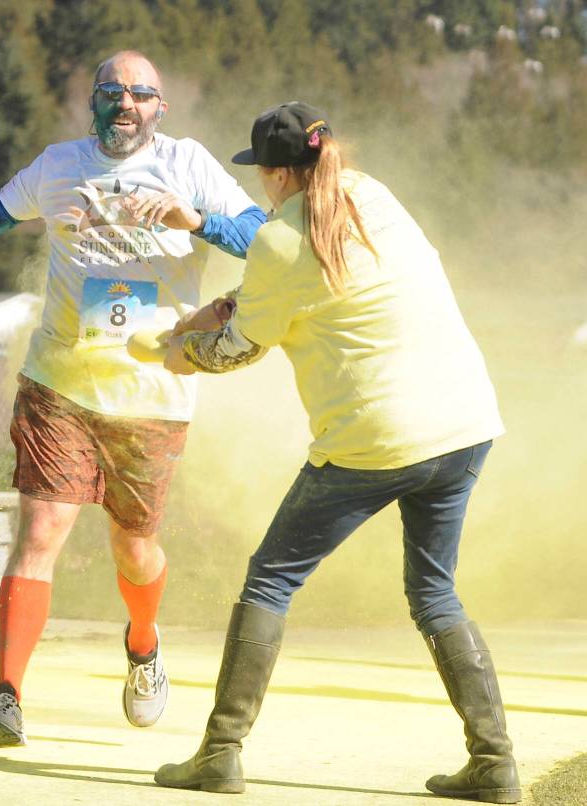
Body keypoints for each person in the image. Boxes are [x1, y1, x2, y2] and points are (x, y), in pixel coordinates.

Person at [153, 102, 519, 804]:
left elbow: (240, 349)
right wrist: (214, 311)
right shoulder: (369, 192)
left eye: (260, 173)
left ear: (275, 174)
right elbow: (295, 284)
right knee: (434, 591)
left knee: (270, 581)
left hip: (376, 436)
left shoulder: (276, 239)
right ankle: (495, 760)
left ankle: (221, 754)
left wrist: (185, 353)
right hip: (466, 424)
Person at [0, 50, 267, 747]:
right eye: (112, 91)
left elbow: (262, 241)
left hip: (152, 391)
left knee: (134, 549)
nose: (125, 103)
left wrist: (194, 220)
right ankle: (6, 698)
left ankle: (143, 642)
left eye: (140, 93)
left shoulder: (189, 164)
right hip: (60, 382)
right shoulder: (59, 164)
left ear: (159, 108)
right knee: (41, 531)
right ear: (93, 102)